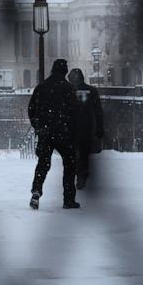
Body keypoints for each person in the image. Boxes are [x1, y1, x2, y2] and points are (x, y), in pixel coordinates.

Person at [29, 58, 80, 210]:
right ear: (64, 71)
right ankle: (68, 199)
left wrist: (39, 127)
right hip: (64, 132)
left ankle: (36, 191)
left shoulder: (42, 87)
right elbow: (75, 112)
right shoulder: (68, 88)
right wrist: (72, 130)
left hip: (46, 131)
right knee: (69, 165)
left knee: (43, 164)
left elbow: (32, 109)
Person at [67, 68, 104, 189]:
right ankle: (83, 174)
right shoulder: (92, 91)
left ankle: (76, 175)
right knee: (84, 154)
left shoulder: (68, 91)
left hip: (72, 128)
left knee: (72, 154)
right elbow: (98, 111)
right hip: (87, 127)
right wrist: (99, 128)